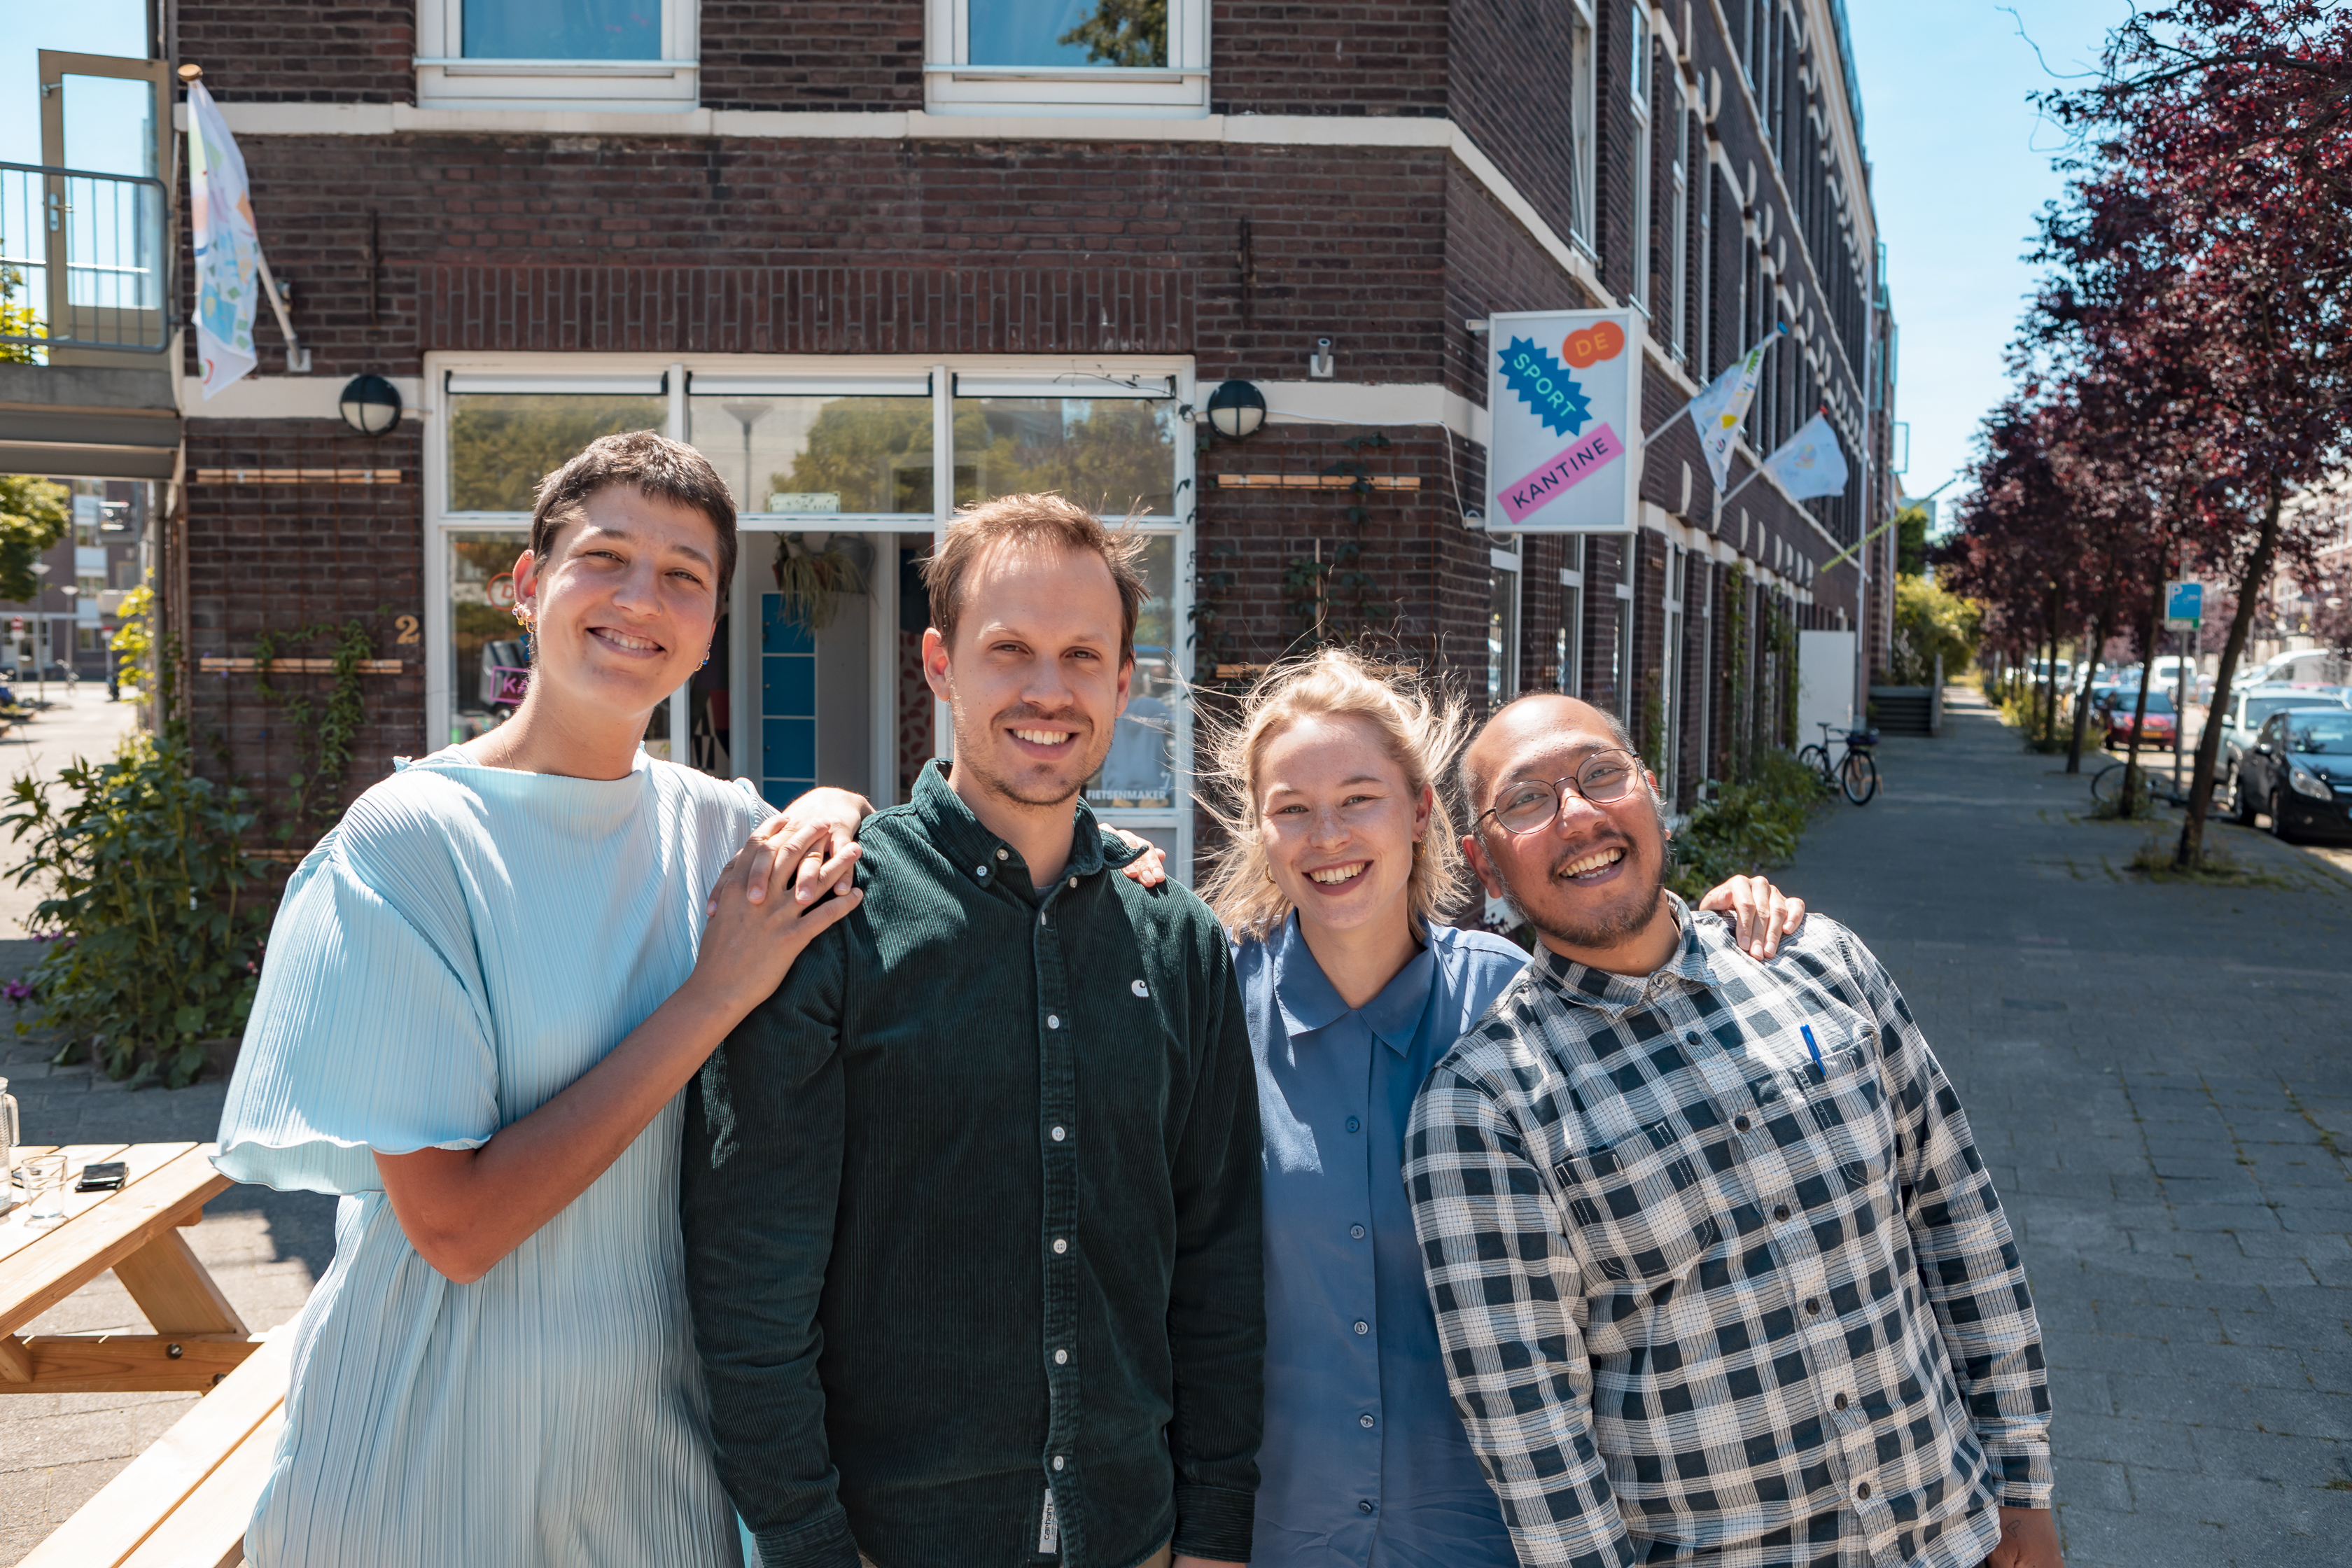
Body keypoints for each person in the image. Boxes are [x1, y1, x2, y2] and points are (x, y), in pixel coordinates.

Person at [214, 431, 874, 1567]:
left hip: (650, 1473)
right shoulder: (412, 842)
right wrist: (713, 996)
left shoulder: (721, 831)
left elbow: (897, 866)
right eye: (604, 557)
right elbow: (457, 1230)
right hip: (426, 1467)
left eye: (683, 575)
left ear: (711, 624)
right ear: (527, 587)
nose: (640, 598)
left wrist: (843, 800)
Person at [680, 494, 1263, 1568]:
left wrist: (1217, 1533)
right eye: (1012, 651)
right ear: (940, 664)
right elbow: (749, 1283)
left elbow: (1217, 1267)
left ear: (1126, 681)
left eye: (1085, 655)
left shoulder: (1176, 942)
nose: (1050, 690)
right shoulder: (830, 919)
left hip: (1132, 1538)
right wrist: (807, 1542)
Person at [1405, 694, 2062, 1568]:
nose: (1579, 814)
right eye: (1527, 800)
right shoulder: (1484, 1105)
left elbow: (1960, 1223)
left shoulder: (1823, 962)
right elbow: (1533, 1434)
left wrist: (2023, 1488)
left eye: (1602, 774)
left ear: (1649, 787)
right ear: (1485, 865)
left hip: (1953, 1531)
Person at [1194, 651, 1805, 1568]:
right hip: (1276, 1540)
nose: (1328, 834)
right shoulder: (1203, 1018)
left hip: (1495, 1540)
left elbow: (1679, 1092)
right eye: (1292, 809)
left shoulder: (1520, 1008)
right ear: (1262, 832)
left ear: (1420, 810)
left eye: (1360, 797)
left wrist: (1719, 934)